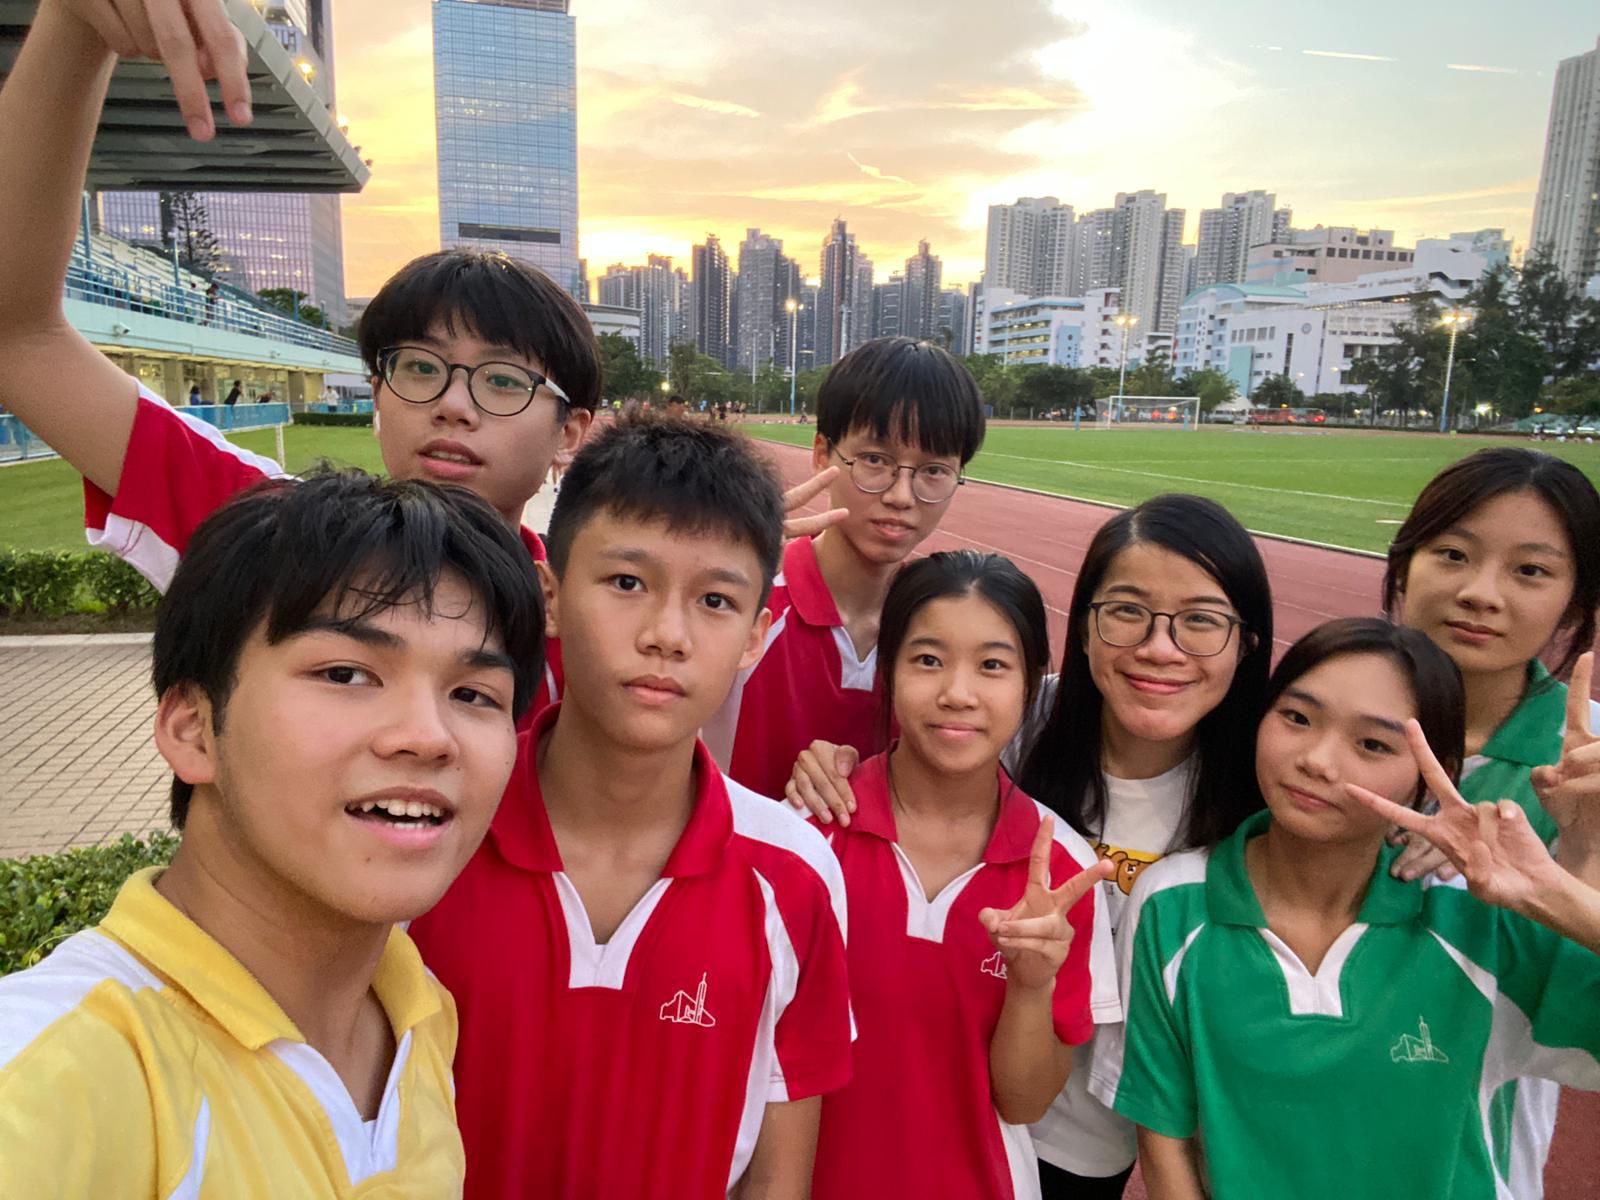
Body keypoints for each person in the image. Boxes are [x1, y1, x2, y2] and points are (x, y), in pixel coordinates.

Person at [0, 468, 547, 1196]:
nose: (428, 737)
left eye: (474, 694)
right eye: (346, 674)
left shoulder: (417, 1014)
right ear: (193, 729)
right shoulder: (52, 1078)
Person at [407, 415, 853, 1199]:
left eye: (715, 600)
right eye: (626, 583)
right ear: (549, 597)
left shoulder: (796, 876)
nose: (666, 635)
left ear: (756, 636)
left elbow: (778, 1176)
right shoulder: (429, 829)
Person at [784, 493, 1276, 1198]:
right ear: (1084, 630)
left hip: (1073, 1140)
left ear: (1247, 641)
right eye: (1128, 610)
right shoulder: (1020, 722)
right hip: (878, 1136)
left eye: (1200, 620)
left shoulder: (1269, 788)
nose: (1159, 647)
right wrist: (824, 766)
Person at [1094, 618, 1600, 1200]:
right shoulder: (1173, 903)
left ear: (1432, 774)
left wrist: (1568, 878)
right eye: (1297, 717)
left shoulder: (1477, 916)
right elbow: (1165, 1137)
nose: (1317, 760)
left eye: (1373, 745)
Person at [807, 550, 1116, 1200]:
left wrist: (1031, 985)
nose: (958, 693)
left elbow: (1025, 1102)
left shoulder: (1061, 872)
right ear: (888, 671)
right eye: (928, 659)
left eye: (992, 665)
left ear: (1032, 683)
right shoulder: (809, 837)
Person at [702, 336, 986, 801]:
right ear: (822, 453)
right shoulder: (745, 601)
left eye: (934, 470)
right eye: (874, 460)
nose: (901, 496)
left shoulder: (941, 632)